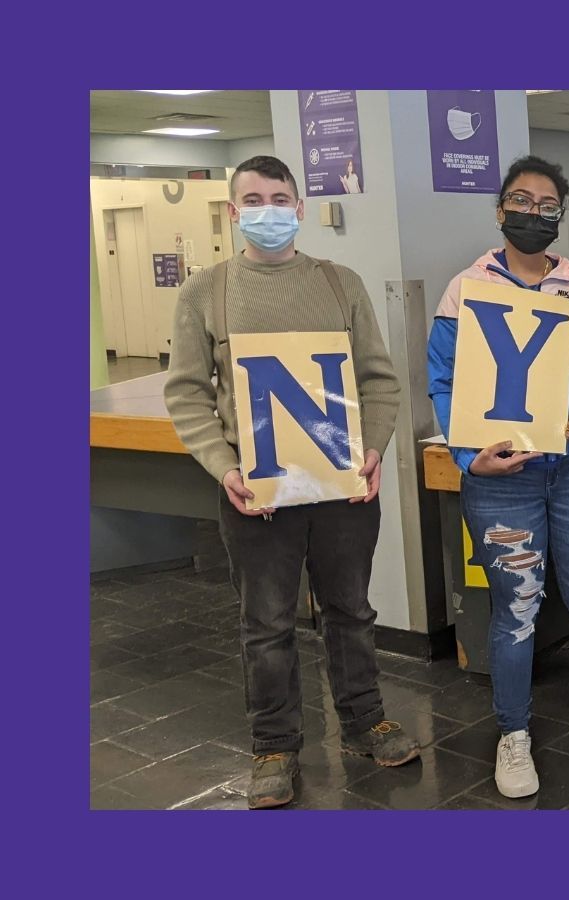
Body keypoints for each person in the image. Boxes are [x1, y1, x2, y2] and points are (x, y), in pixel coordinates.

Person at [164, 155, 419, 809]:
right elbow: (188, 394)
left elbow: (378, 381)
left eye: (280, 197)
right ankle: (274, 747)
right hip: (257, 494)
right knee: (266, 625)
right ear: (233, 211)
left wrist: (372, 449)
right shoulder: (205, 293)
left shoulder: (340, 284)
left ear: (300, 208)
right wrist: (223, 467)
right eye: (254, 199)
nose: (268, 209)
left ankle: (365, 723)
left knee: (352, 612)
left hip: (341, 487)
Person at [427, 155, 569, 799]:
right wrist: (469, 458)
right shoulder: (465, 290)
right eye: (521, 201)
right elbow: (445, 384)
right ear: (499, 209)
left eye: (548, 206)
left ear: (560, 216)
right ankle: (512, 734)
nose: (533, 214)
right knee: (516, 611)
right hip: (501, 479)